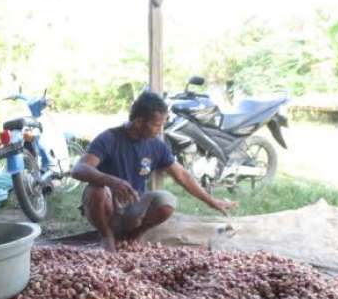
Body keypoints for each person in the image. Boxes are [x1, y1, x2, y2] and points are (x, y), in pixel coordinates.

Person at [71, 91, 236, 251]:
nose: (160, 129)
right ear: (139, 122)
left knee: (167, 201)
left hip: (133, 206)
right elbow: (79, 169)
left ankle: (133, 237)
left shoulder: (156, 145)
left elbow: (183, 176)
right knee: (96, 191)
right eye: (157, 124)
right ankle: (107, 236)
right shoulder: (109, 138)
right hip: (108, 206)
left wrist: (211, 201)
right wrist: (113, 182)